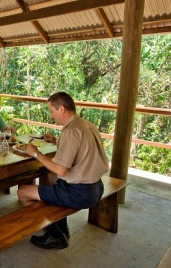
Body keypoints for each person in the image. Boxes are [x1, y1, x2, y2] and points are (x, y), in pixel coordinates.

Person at [17, 92, 109, 249]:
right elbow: (79, 148)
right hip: (97, 187)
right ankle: (61, 226)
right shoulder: (85, 125)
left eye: (51, 111)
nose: (51, 115)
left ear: (61, 109)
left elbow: (61, 170)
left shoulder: (70, 131)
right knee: (50, 177)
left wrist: (35, 153)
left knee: (23, 192)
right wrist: (56, 141)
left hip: (80, 193)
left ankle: (55, 234)